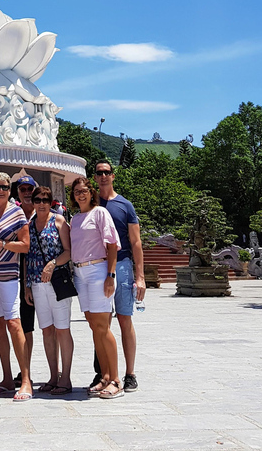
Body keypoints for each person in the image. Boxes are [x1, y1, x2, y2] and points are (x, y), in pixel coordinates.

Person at [69, 177, 123, 399]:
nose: (81, 195)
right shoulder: (75, 219)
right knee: (94, 326)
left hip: (98, 270)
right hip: (80, 273)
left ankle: (116, 380)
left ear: (91, 193)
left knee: (102, 326)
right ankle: (105, 376)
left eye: (84, 191)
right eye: (77, 192)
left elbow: (112, 245)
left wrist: (110, 276)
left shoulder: (100, 213)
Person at [94, 160, 146, 393]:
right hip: (96, 266)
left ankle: (130, 373)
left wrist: (140, 276)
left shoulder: (125, 205)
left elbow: (136, 242)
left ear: (113, 176)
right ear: (94, 177)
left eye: (107, 172)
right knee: (100, 322)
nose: (103, 176)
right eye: (99, 173)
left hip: (122, 265)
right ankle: (103, 373)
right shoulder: (90, 203)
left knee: (124, 318)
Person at [0, 172, 33, 401]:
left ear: (9, 189)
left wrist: (2, 244)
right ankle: (5, 376)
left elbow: (25, 246)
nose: (1, 190)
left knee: (14, 322)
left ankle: (25, 379)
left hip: (9, 275)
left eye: (4, 187)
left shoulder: (17, 213)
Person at [24, 186, 74, 395]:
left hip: (57, 281)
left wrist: (53, 263)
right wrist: (27, 283)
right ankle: (53, 375)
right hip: (37, 282)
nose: (41, 203)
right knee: (47, 329)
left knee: (62, 329)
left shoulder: (59, 221)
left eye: (45, 200)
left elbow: (69, 251)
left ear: (51, 202)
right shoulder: (30, 224)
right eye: (38, 199)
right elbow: (27, 255)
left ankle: (66, 378)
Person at [14, 176, 38, 388]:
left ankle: (55, 370)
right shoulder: (15, 214)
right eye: (23, 188)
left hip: (46, 277)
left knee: (54, 328)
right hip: (23, 279)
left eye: (30, 188)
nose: (27, 192)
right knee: (25, 327)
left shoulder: (47, 213)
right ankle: (25, 371)